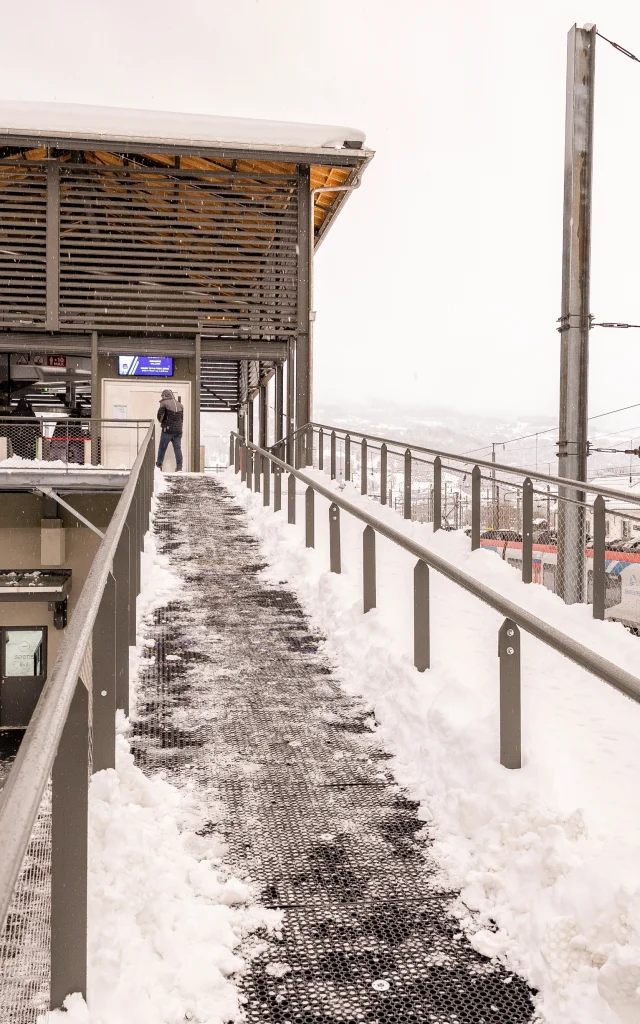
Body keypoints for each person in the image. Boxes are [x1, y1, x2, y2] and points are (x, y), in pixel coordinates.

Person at [156, 389, 183, 471]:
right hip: (178, 431)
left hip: (167, 430)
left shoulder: (164, 403)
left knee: (162, 448)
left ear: (164, 395)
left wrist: (162, 421)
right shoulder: (180, 405)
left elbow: (160, 416)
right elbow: (182, 419)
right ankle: (179, 467)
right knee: (177, 449)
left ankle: (159, 465)